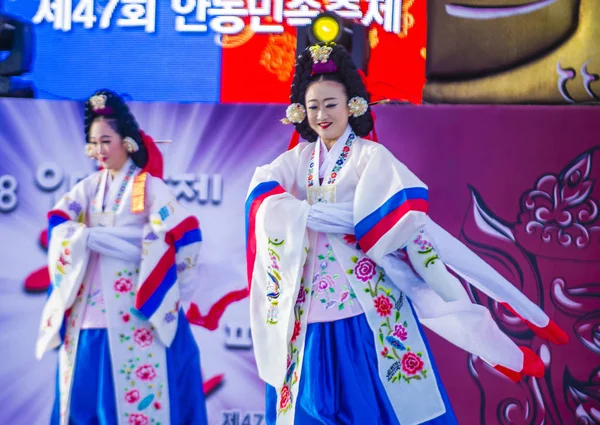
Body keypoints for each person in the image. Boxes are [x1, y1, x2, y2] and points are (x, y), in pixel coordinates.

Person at [245, 43, 568, 425]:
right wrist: (308, 214)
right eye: (313, 105)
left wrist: (312, 215)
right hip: (309, 310)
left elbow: (389, 221)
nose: (322, 115)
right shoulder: (295, 161)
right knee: (306, 406)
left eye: (331, 103)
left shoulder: (371, 158)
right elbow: (262, 196)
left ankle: (502, 346)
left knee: (376, 404)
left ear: (352, 105)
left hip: (363, 309)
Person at [36, 89, 209, 425]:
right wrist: (90, 238)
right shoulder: (88, 187)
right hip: (90, 312)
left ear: (126, 141)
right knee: (83, 400)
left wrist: (174, 287)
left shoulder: (147, 186)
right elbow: (58, 224)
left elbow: (185, 232)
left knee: (139, 398)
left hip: (138, 307)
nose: (100, 150)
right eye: (94, 142)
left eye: (106, 140)